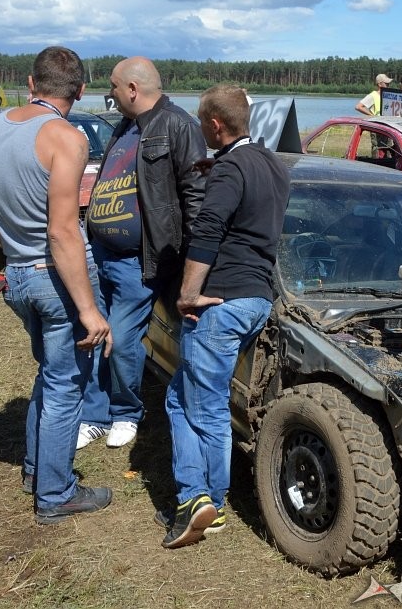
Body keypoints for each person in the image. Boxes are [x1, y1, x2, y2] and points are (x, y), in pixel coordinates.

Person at [0, 46, 113, 521]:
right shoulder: (66, 138)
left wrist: (11, 250)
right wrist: (90, 310)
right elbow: (62, 232)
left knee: (50, 375)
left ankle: (38, 469)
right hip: (54, 277)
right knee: (66, 386)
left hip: (17, 271)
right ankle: (55, 494)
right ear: (80, 90)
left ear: (32, 84)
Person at [157, 85, 290, 548]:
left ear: (215, 124)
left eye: (201, 122)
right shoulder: (270, 163)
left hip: (221, 301)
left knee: (205, 406)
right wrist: (219, 169)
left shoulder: (231, 168)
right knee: (181, 398)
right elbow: (250, 211)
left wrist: (188, 293)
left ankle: (204, 501)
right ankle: (200, 494)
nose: (200, 129)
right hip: (257, 298)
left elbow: (209, 228)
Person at [79, 56, 206, 450]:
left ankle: (125, 412)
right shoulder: (125, 125)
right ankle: (94, 415)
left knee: (120, 338)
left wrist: (192, 263)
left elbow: (196, 196)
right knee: (93, 333)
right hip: (101, 253)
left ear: (132, 89)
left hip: (139, 261)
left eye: (114, 86)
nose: (110, 93)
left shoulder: (178, 125)